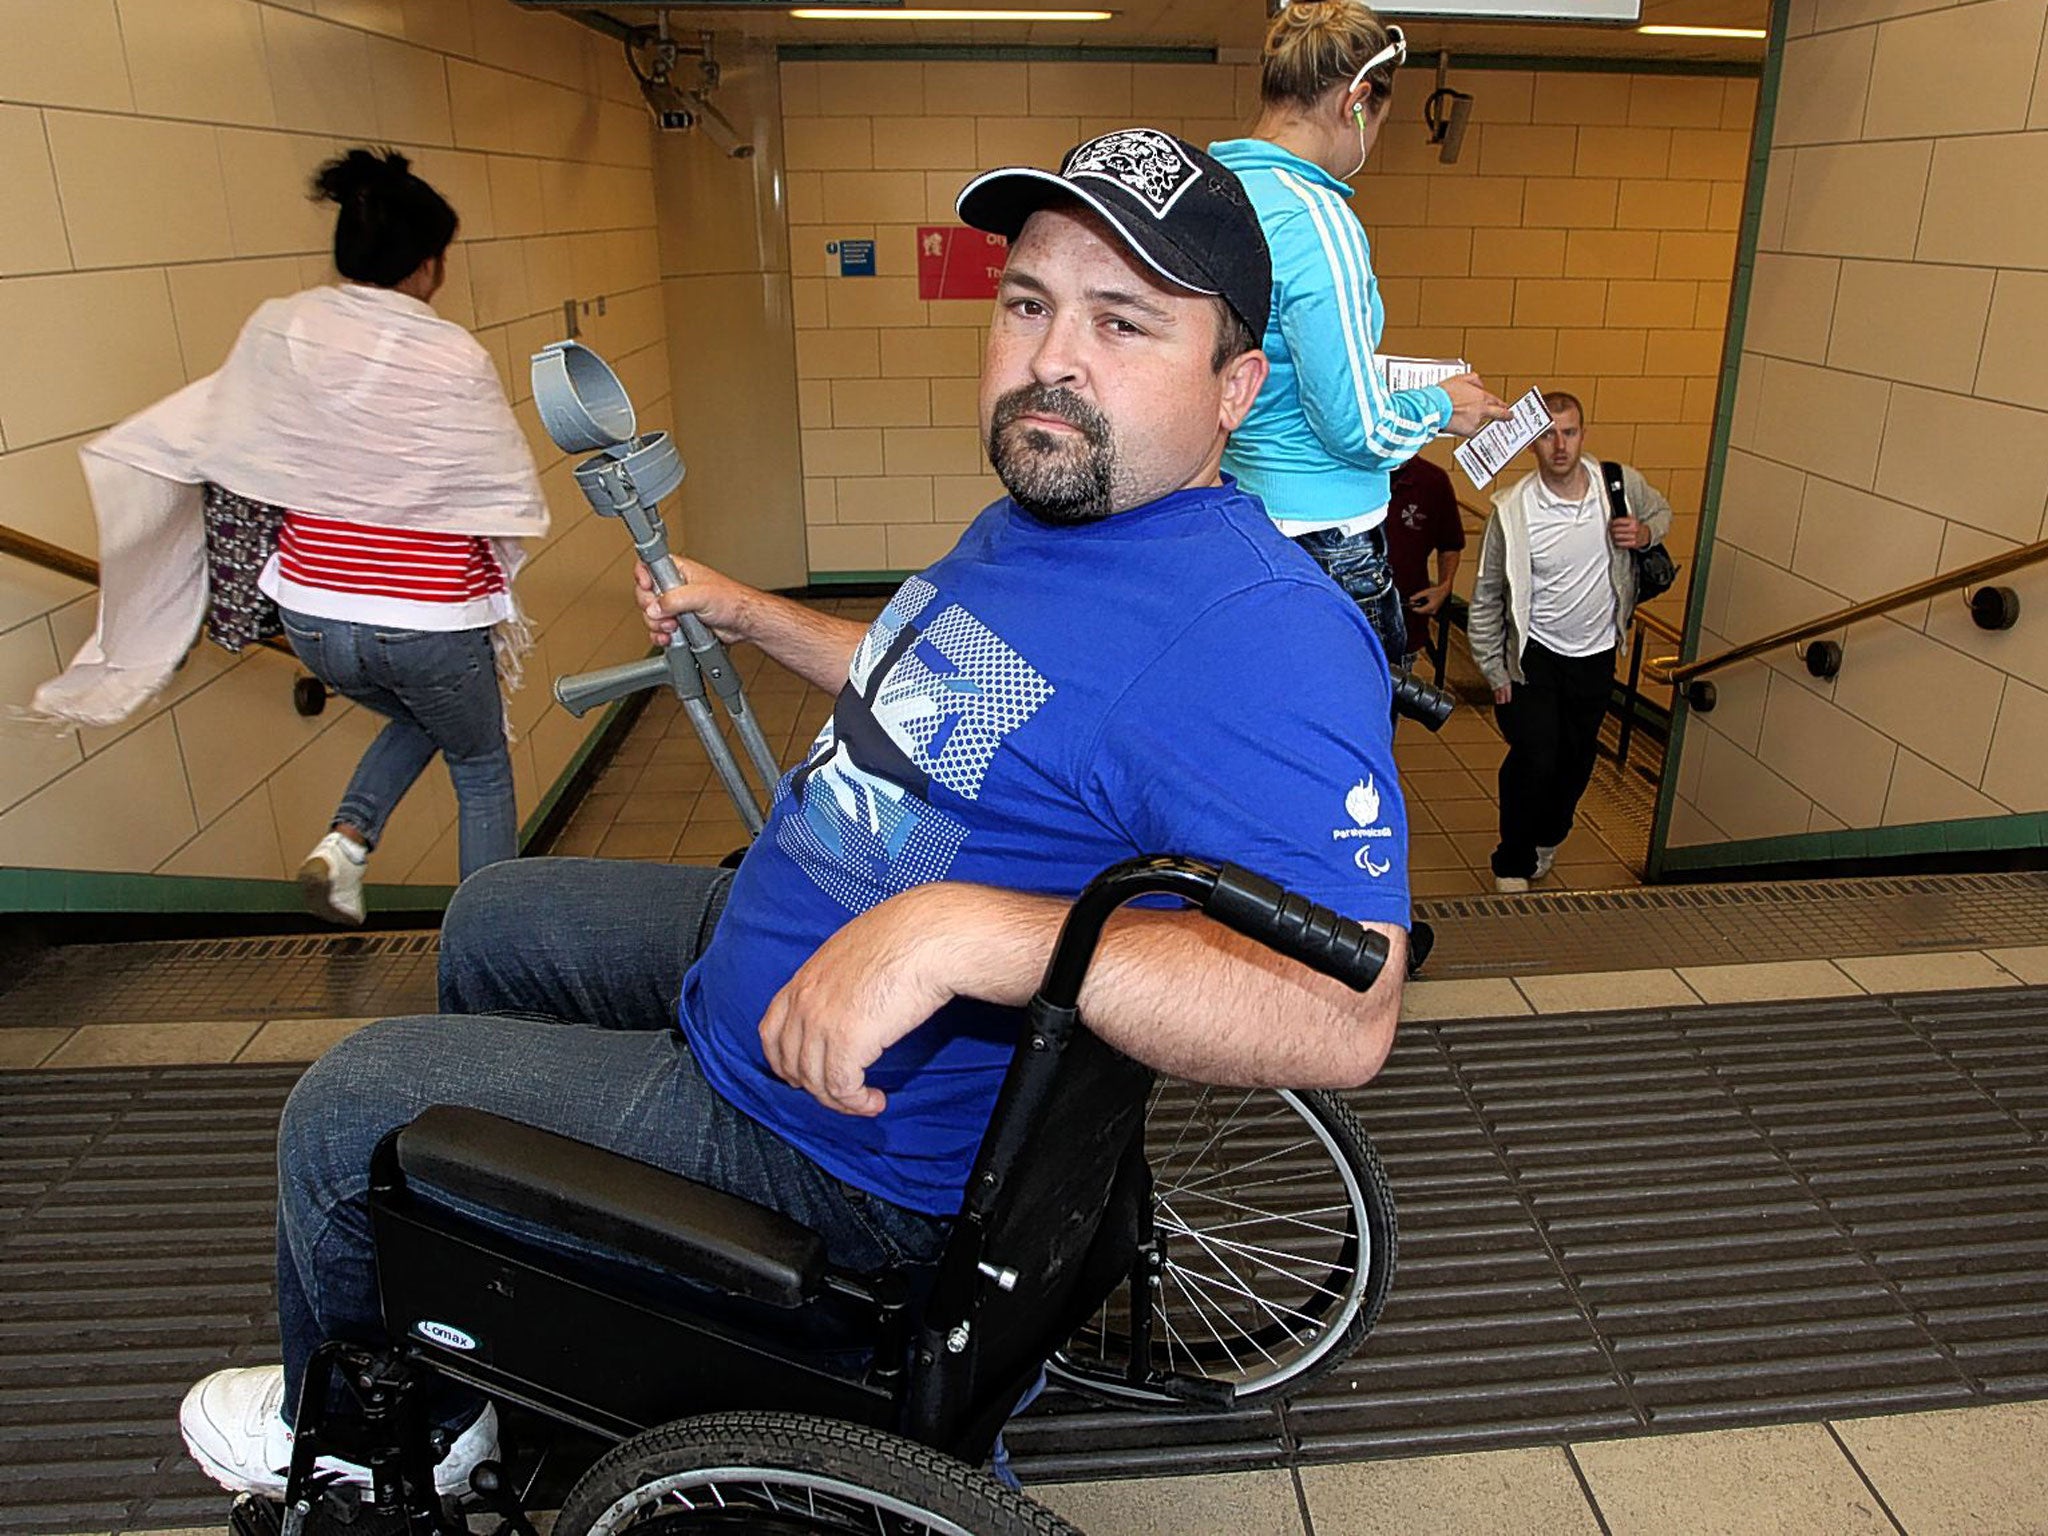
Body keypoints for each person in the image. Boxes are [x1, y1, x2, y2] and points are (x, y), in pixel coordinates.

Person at [175, 128, 1413, 1502]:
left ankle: (344, 1451)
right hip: (795, 931)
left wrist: (959, 935)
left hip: (832, 1140)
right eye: (1027, 303)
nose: (1056, 356)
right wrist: (756, 615)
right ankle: (479, 1337)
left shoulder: (1252, 635)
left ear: (1235, 384)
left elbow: (1341, 1014)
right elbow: (947, 683)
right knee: (497, 915)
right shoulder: (1059, 515)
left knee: (344, 1108)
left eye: (1124, 321)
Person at [31, 148, 549, 927]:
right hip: (427, 622)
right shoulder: (451, 354)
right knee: (478, 763)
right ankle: (493, 953)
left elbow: (225, 431)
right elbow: (501, 491)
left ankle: (346, 842)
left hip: (312, 616)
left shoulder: (286, 325)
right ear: (428, 265)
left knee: (422, 717)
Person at [1209, 0, 1508, 672]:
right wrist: (1443, 407)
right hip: (1324, 542)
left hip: (1233, 515)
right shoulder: (1318, 219)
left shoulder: (1215, 194)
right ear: (1357, 101)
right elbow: (1357, 430)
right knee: (1347, 760)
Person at [1467, 392, 1672, 893]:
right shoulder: (1514, 510)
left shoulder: (1617, 485)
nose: (1560, 446)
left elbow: (1662, 514)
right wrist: (1494, 669)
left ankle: (1549, 834)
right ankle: (1511, 858)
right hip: (1532, 658)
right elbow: (1487, 594)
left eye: (1570, 432)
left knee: (1577, 759)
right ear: (1531, 443)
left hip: (1597, 653)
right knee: (1534, 757)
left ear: (1584, 434)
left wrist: (1643, 534)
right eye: (1547, 434)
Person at [1384, 454, 1465, 666]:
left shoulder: (1432, 481)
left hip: (1405, 621)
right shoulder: (1348, 474)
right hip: (1349, 620)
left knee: (1398, 694)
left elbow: (1450, 545)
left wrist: (1445, 586)